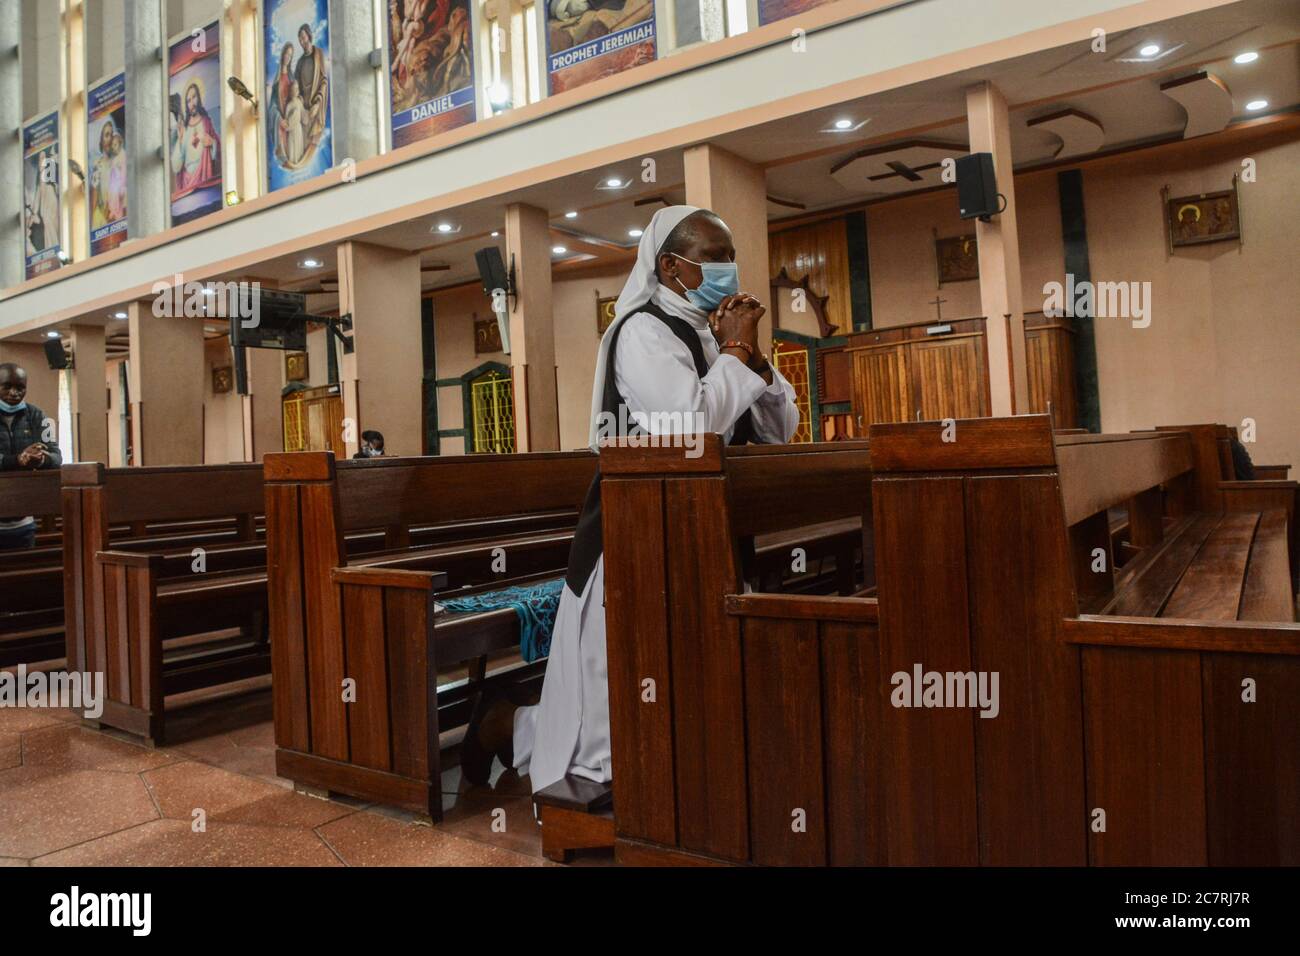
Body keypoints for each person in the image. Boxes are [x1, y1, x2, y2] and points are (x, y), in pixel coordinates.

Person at [461, 205, 800, 791]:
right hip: (634, 533)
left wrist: (754, 357)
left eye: (730, 256)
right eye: (715, 258)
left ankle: (674, 776)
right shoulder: (642, 330)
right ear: (671, 266)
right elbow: (686, 428)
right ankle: (504, 726)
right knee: (606, 712)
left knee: (684, 673)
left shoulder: (714, 334)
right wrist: (738, 356)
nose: (730, 270)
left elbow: (779, 430)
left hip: (705, 527)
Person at [0, 363, 63, 550]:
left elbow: (57, 456)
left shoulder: (38, 415)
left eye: (20, 388)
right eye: (7, 386)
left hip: (24, 521)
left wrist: (42, 459)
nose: (14, 393)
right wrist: (17, 460)